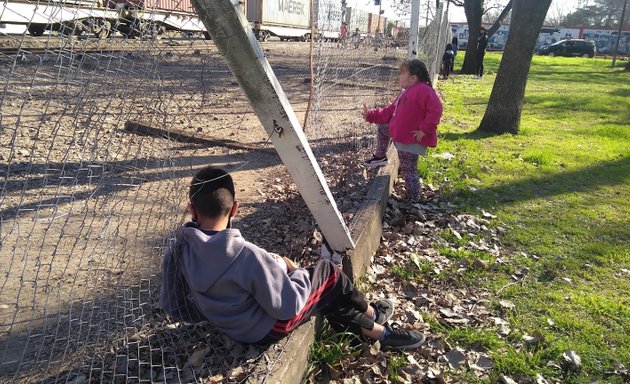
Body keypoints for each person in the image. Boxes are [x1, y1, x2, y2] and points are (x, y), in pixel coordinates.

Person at [159, 166, 426, 350]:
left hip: (231, 327)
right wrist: (293, 269)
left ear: (191, 208)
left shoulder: (178, 249)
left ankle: (375, 331)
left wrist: (214, 313)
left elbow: (175, 306)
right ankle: (375, 316)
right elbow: (287, 306)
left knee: (324, 294)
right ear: (235, 209)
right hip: (267, 330)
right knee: (329, 273)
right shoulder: (246, 254)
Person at [361, 59, 443, 202]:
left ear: (413, 78)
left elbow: (436, 110)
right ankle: (380, 156)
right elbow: (388, 112)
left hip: (411, 140)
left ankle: (413, 198)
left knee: (409, 169)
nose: (399, 76)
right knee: (383, 128)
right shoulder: (405, 93)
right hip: (400, 134)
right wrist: (371, 115)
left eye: (402, 73)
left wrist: (424, 130)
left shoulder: (423, 90)